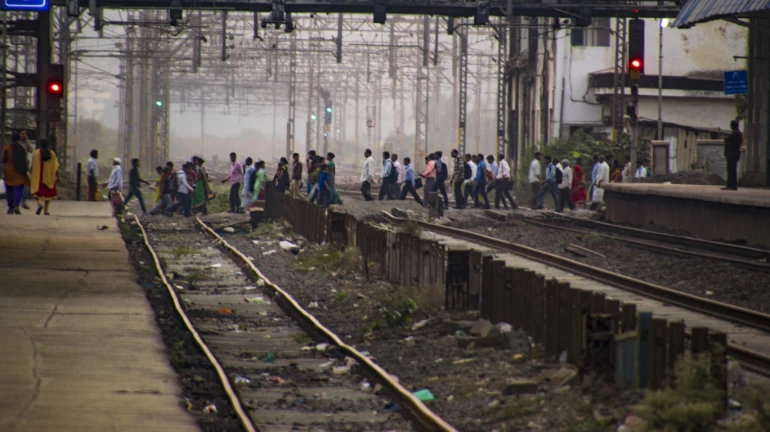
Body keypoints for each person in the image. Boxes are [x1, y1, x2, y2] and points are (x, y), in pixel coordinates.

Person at [1, 132, 30, 214]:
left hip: (9, 172)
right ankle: (16, 205)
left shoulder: (7, 148)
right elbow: (25, 160)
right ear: (19, 139)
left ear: (11, 139)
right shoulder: (22, 148)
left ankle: (10, 207)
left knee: (9, 189)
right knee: (19, 188)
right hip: (20, 172)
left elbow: (3, 159)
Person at [29, 138, 59, 215]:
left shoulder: (36, 153)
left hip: (38, 177)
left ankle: (40, 204)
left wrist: (31, 173)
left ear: (40, 144)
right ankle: (46, 210)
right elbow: (55, 166)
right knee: (48, 194)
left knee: (37, 193)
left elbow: (32, 165)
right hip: (49, 177)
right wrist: (57, 175)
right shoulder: (52, 153)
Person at [724, 120, 743, 191]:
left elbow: (726, 139)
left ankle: (730, 185)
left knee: (730, 170)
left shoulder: (735, 134)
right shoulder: (739, 134)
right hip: (735, 154)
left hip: (732, 154)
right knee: (733, 170)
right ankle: (733, 185)